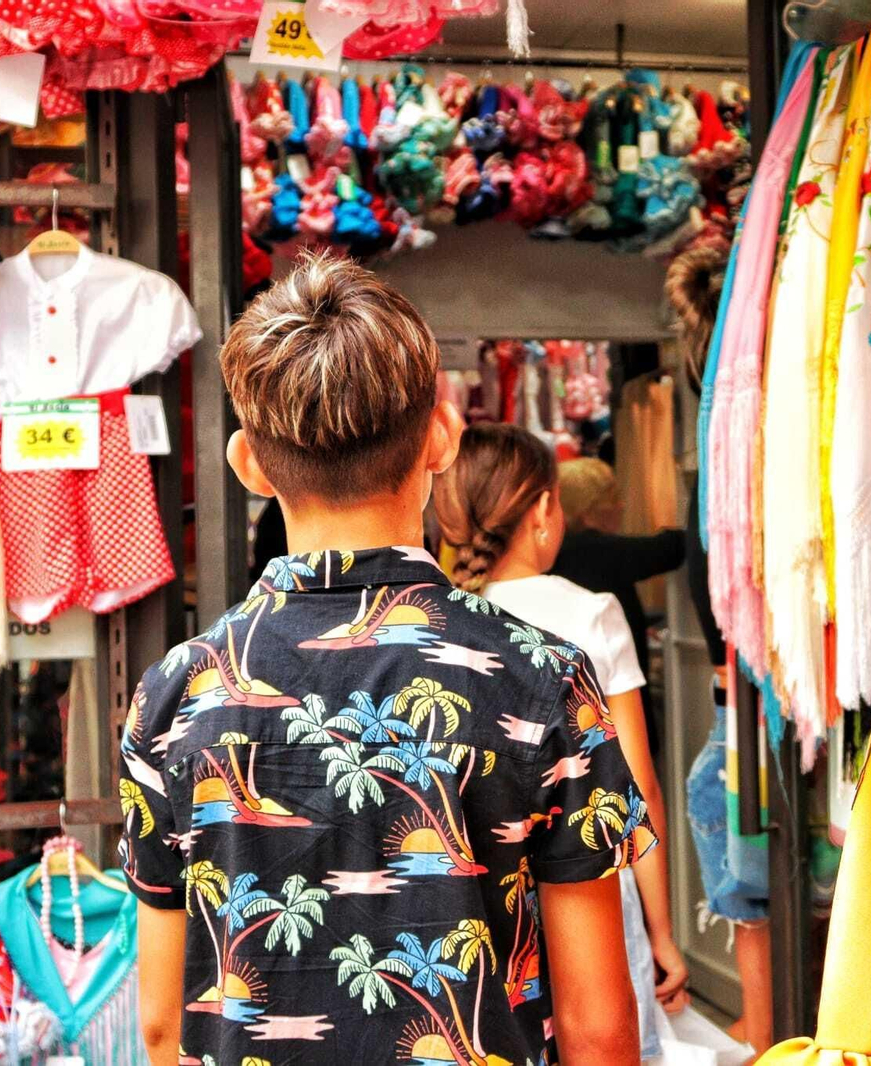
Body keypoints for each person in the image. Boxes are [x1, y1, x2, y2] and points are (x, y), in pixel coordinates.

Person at [121, 253, 646, 1066]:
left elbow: (161, 1026)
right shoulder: (545, 678)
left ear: (247, 465)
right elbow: (597, 1027)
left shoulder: (175, 695)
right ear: (441, 437)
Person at [436, 424, 716, 1064]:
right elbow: (635, 792)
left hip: (477, 895)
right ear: (541, 510)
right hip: (587, 887)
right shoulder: (591, 616)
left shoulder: (441, 619)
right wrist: (664, 934)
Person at [549, 457, 686, 752]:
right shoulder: (595, 549)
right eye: (612, 499)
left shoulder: (556, 554)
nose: (621, 506)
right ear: (588, 512)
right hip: (615, 703)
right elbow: (670, 549)